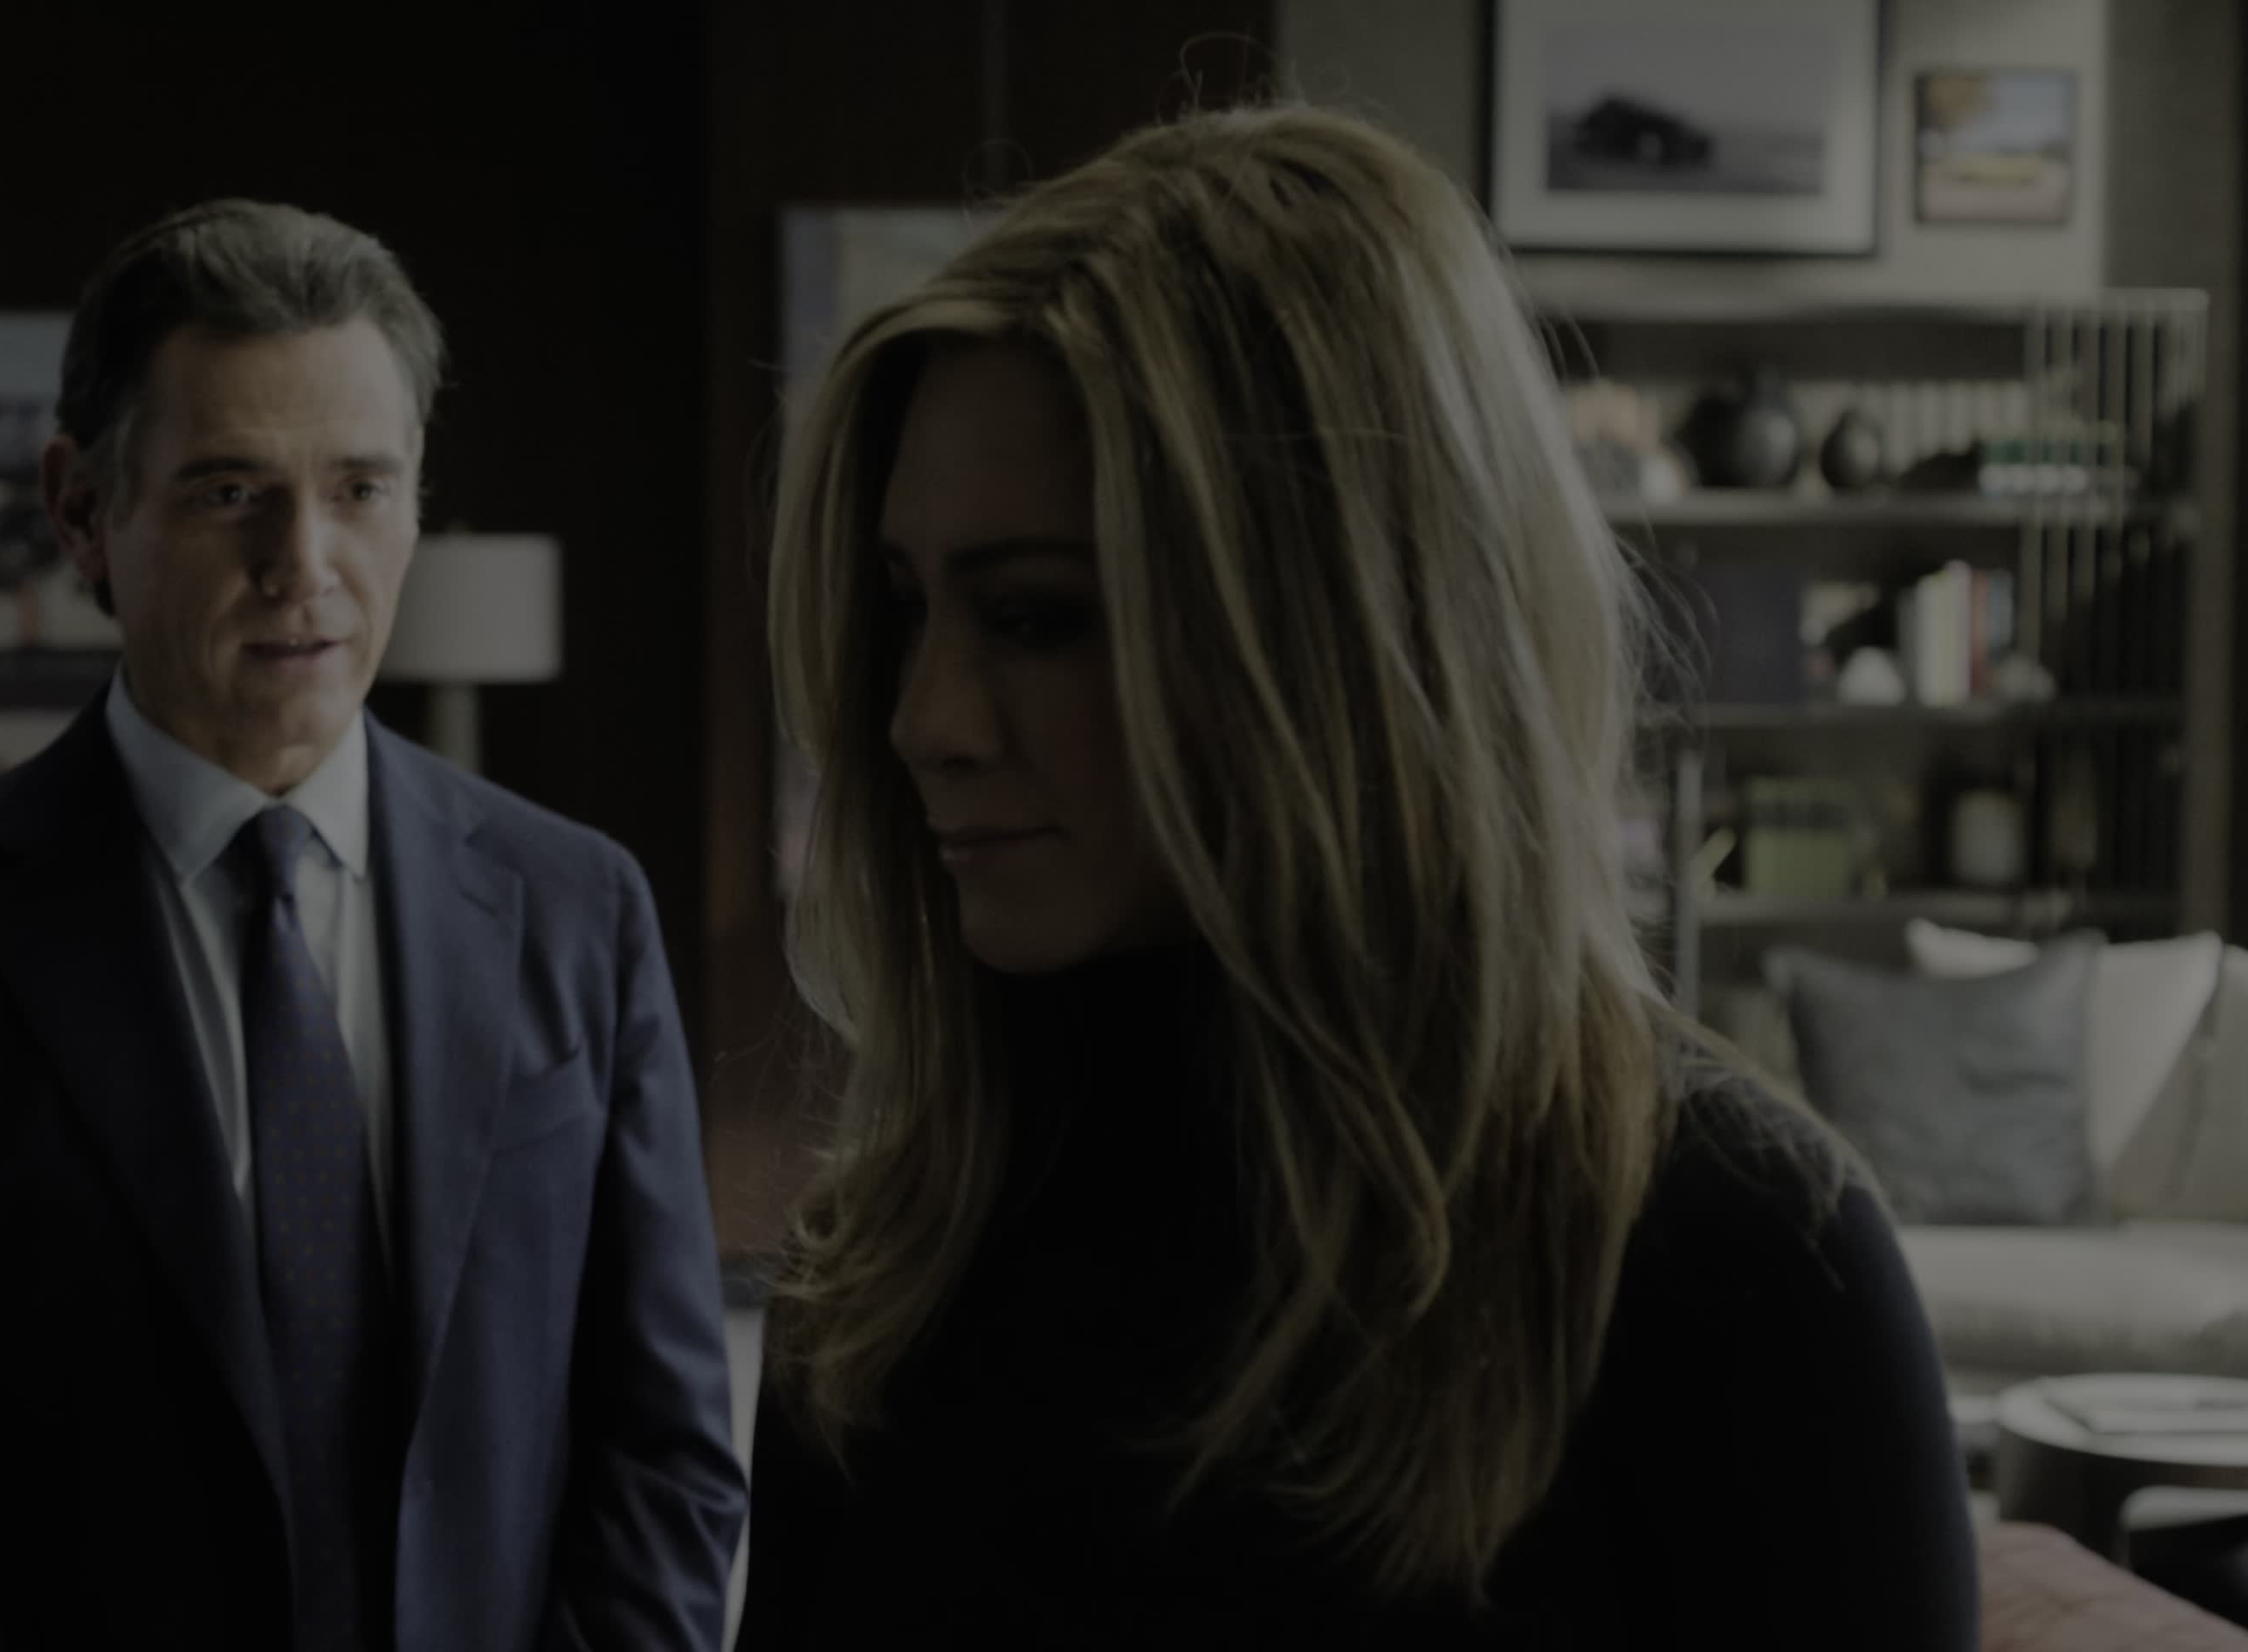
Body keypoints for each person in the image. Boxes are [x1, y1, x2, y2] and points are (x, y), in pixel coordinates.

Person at [735, 108, 1977, 1648]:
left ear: (1338, 644)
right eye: (906, 608)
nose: (925, 722)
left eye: (1038, 618)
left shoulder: (1736, 1267)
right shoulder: (883, 1274)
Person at [0, 199, 746, 1651]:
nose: (305, 563)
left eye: (361, 488)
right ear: (82, 510)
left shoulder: (581, 911)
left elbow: (668, 1464)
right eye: (228, 493)